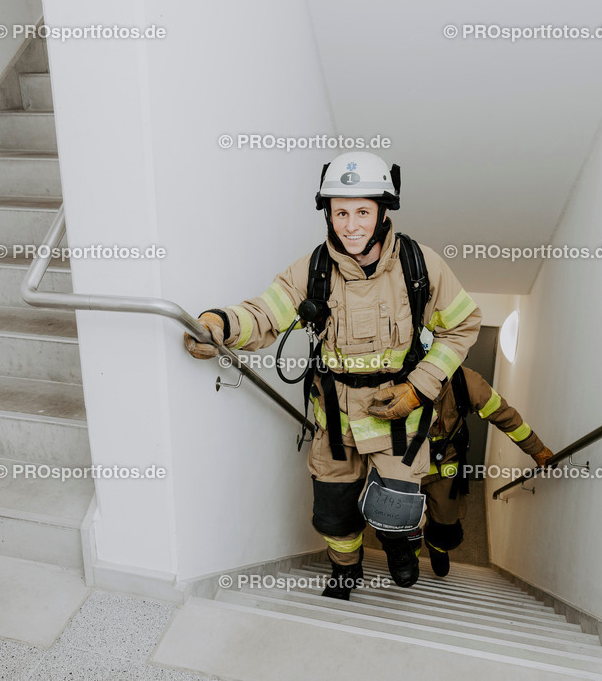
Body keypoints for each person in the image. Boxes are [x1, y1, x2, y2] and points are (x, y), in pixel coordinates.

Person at [184, 152, 481, 599]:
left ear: (383, 213)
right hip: (335, 425)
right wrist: (220, 325)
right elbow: (266, 312)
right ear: (328, 213)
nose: (351, 224)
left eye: (363, 211)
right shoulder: (312, 269)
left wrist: (418, 389)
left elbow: (462, 326)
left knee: (398, 507)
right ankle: (346, 569)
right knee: (334, 517)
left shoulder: (422, 266)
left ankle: (400, 545)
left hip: (398, 420)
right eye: (341, 212)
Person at [415, 365, 555, 578]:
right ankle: (408, 558)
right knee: (401, 520)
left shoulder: (465, 381)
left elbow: (504, 415)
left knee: (445, 523)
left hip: (445, 468)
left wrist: (538, 450)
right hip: (403, 466)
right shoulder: (394, 373)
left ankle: (437, 547)